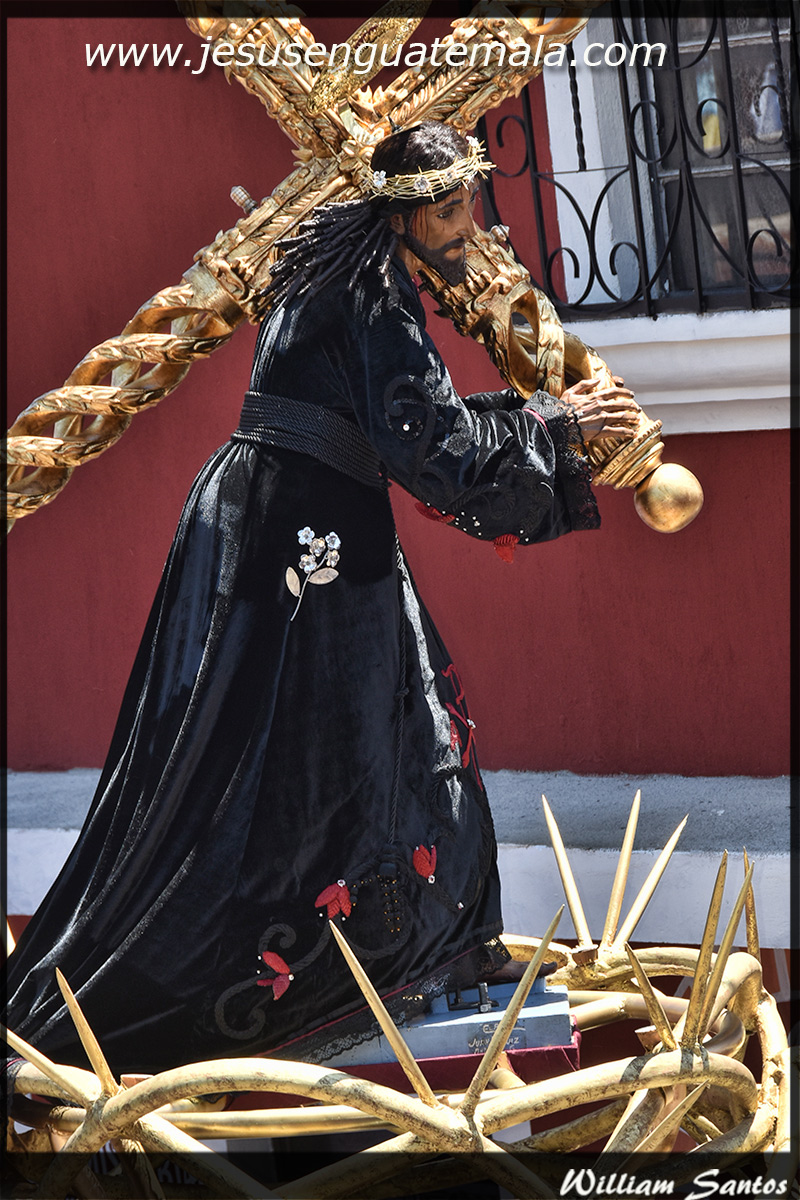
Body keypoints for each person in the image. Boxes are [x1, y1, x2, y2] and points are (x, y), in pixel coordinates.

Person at [5, 122, 638, 1079]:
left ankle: (429, 949)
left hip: (295, 526)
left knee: (366, 735)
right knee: (357, 747)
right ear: (408, 214)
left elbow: (413, 422)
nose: (469, 228)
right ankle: (388, 960)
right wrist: (560, 426)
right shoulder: (374, 294)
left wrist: (536, 421)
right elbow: (435, 452)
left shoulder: (348, 272)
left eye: (469, 204)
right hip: (306, 542)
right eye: (452, 210)